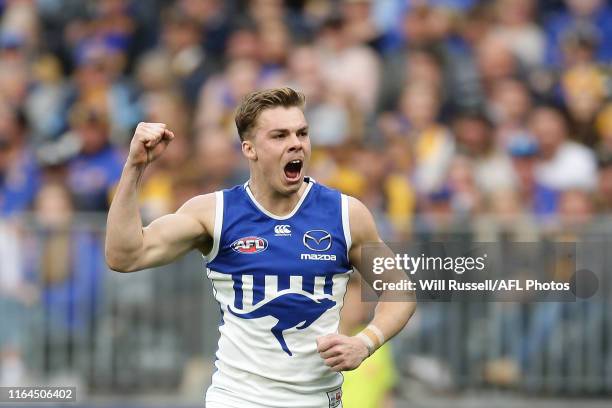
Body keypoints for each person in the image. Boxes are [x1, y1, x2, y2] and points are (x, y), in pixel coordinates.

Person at [105, 87, 415, 408]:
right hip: (239, 398)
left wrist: (365, 342)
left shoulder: (346, 214)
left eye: (302, 133)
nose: (296, 143)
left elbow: (400, 290)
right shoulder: (215, 213)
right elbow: (124, 256)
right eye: (279, 135)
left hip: (318, 400)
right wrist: (134, 167)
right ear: (249, 149)